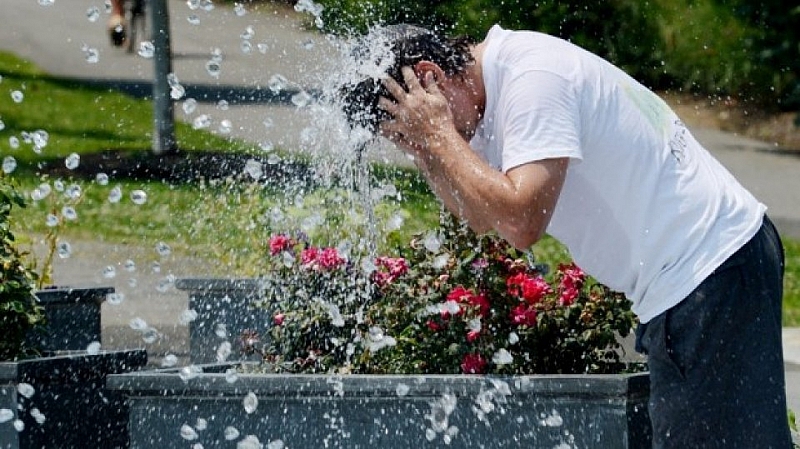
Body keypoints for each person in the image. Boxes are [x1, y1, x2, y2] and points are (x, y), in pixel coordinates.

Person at [343, 24, 793, 448]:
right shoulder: (480, 100)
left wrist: (439, 135)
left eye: (409, 134)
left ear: (429, 77)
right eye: (405, 141)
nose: (416, 146)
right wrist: (433, 145)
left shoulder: (531, 80)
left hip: (707, 272)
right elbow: (478, 215)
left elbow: (522, 220)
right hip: (700, 278)